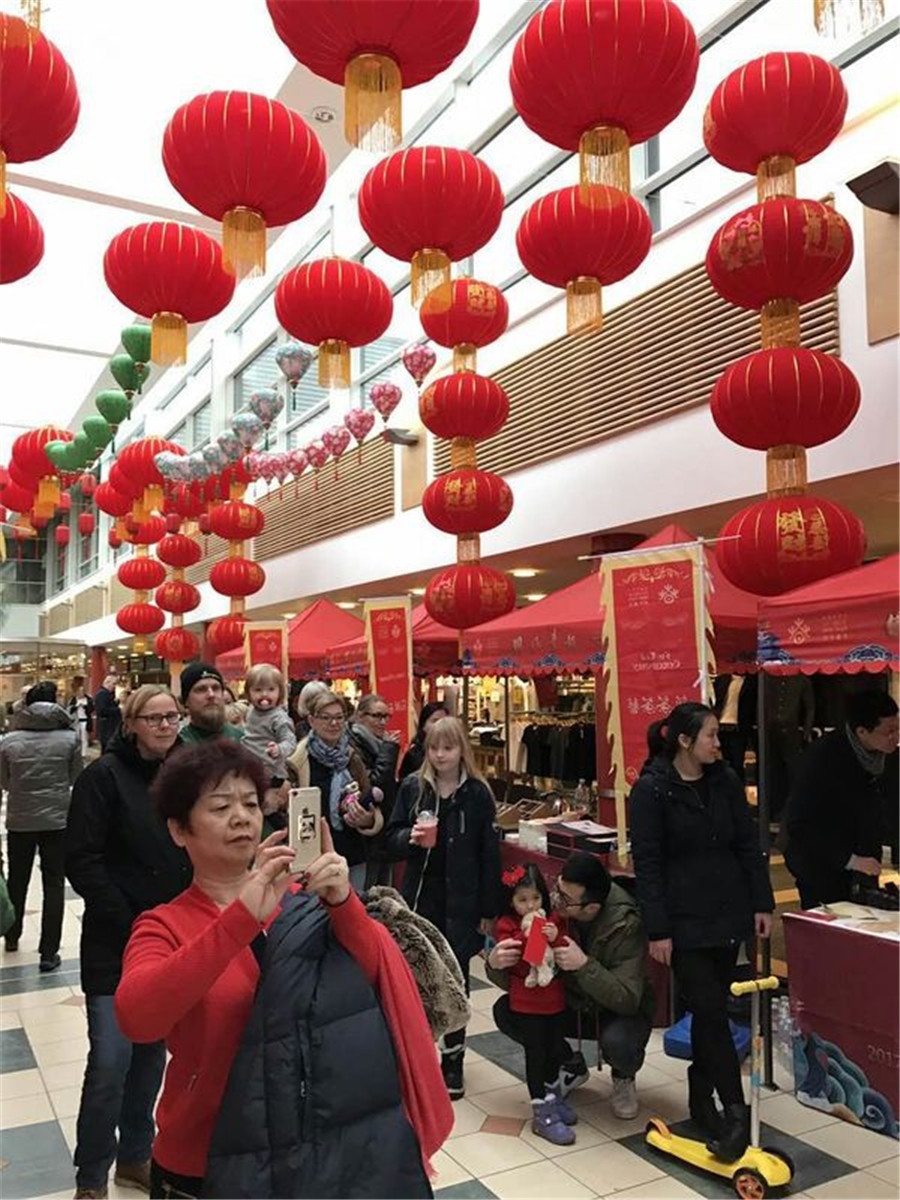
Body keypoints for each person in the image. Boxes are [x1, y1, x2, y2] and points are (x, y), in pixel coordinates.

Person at [114, 740, 451, 1199]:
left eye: (251, 803)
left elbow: (381, 981)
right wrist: (239, 918)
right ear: (178, 830)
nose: (241, 816)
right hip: (205, 1154)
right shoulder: (165, 925)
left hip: (311, 1147)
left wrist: (341, 902)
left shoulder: (302, 903)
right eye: (219, 806)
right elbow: (138, 1018)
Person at [629, 702, 774, 1162]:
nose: (719, 741)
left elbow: (748, 844)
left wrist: (761, 902)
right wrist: (658, 929)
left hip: (727, 911)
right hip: (682, 919)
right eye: (711, 735)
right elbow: (647, 865)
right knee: (710, 1012)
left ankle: (700, 1097)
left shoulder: (725, 781)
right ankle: (736, 1112)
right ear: (686, 741)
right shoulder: (651, 790)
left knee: (715, 1011)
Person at [66, 684, 191, 1200]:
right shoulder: (102, 778)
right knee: (111, 1063)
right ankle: (91, 1176)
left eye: (172, 717)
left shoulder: (185, 774)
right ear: (132, 723)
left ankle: (135, 1156)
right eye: (155, 718)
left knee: (150, 1058)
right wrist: (128, 916)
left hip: (170, 938)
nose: (165, 726)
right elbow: (82, 859)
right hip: (115, 940)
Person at [488, 852, 655, 1123]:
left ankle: (624, 1076)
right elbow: (524, 976)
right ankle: (569, 1064)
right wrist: (496, 963)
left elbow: (628, 999)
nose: (556, 900)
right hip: (570, 1002)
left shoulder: (626, 923)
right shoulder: (552, 915)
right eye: (556, 890)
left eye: (565, 899)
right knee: (510, 1012)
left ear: (590, 908)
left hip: (615, 1010)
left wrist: (584, 964)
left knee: (619, 1042)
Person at [386, 715, 502, 1100]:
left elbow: (490, 855)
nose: (440, 755)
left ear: (461, 749)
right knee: (416, 976)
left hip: (463, 902)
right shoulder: (414, 788)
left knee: (455, 980)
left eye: (448, 747)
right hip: (422, 897)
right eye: (434, 747)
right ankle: (415, 1057)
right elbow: (392, 836)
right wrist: (411, 839)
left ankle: (453, 1061)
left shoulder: (478, 794)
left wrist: (490, 909)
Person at [785, 691, 899, 908]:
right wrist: (851, 860)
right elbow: (801, 825)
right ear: (862, 732)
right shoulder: (824, 759)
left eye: (898, 728)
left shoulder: (887, 757)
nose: (896, 737)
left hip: (865, 868)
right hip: (821, 868)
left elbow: (890, 807)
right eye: (889, 731)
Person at [0, 681, 81, 970]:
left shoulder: (8, 740)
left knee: (17, 879)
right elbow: (75, 777)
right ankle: (48, 953)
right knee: (54, 882)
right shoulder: (70, 738)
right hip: (58, 818)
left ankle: (12, 935)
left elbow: (4, 780)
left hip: (20, 818)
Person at [492, 862, 574, 1145]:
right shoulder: (507, 926)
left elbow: (563, 949)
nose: (530, 906)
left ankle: (555, 1097)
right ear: (511, 902)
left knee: (554, 1050)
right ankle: (542, 1109)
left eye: (535, 898)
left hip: (554, 998)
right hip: (526, 1002)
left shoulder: (553, 919)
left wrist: (555, 936)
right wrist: (524, 935)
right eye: (522, 900)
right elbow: (512, 958)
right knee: (536, 1054)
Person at [286, 689, 382, 891]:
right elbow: (287, 811)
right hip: (312, 859)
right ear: (311, 720)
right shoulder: (297, 761)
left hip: (352, 855)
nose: (334, 723)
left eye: (339, 717)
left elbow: (370, 802)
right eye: (326, 718)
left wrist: (367, 819)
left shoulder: (353, 757)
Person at [348, 693, 402, 885]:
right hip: (365, 834)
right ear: (361, 716)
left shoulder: (378, 743)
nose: (382, 722)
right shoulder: (354, 744)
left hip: (383, 830)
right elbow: (373, 784)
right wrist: (389, 750)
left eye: (386, 716)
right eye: (376, 716)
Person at [241, 664, 297, 785]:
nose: (264, 694)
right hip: (249, 768)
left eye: (271, 689)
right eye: (258, 690)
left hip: (271, 773)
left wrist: (279, 749)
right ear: (248, 693)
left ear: (280, 692)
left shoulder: (279, 718)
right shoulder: (250, 710)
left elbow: (290, 741)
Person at [177, 663, 244, 744]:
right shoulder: (179, 744)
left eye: (216, 688)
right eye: (201, 689)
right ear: (186, 701)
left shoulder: (242, 740)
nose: (211, 695)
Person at [398, 702, 449, 779]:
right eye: (435, 721)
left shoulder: (454, 750)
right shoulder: (414, 753)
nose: (440, 725)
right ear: (423, 725)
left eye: (444, 721)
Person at [93, 674, 122, 751]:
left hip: (108, 727)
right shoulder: (102, 694)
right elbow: (102, 710)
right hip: (107, 728)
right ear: (107, 683)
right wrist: (119, 710)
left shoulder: (106, 694)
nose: (114, 686)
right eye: (113, 684)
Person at [69, 678, 95, 757]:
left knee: (84, 737)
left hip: (85, 721)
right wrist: (76, 707)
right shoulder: (74, 700)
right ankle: (77, 752)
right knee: (76, 738)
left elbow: (91, 709)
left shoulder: (88, 700)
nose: (80, 693)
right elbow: (70, 709)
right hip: (76, 721)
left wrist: (85, 707)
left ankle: (84, 753)